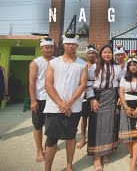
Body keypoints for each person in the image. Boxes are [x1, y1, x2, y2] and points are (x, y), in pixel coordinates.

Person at [43, 34, 88, 171]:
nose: (70, 46)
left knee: (71, 137)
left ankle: (69, 165)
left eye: (73, 44)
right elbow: (48, 84)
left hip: (73, 109)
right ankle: (47, 168)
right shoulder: (53, 63)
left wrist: (69, 103)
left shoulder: (82, 64)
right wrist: (61, 104)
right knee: (51, 139)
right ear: (63, 45)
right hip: (53, 108)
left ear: (76, 46)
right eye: (67, 44)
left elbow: (82, 85)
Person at [86, 44, 125, 170]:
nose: (107, 54)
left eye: (109, 52)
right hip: (98, 97)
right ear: (100, 54)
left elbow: (121, 82)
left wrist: (120, 96)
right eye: (104, 52)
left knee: (110, 125)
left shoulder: (117, 67)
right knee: (96, 126)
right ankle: (97, 157)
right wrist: (91, 99)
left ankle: (107, 152)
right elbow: (89, 84)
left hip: (112, 97)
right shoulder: (94, 67)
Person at [28, 36, 55, 162]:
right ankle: (39, 150)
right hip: (40, 99)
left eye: (51, 47)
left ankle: (47, 145)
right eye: (47, 47)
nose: (49, 50)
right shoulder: (35, 63)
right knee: (38, 126)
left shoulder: (57, 61)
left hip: (53, 99)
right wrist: (33, 101)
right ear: (41, 48)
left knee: (51, 126)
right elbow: (32, 82)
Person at [119, 56, 137, 171]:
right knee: (127, 134)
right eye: (130, 65)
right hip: (126, 106)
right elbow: (121, 93)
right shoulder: (124, 79)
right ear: (128, 67)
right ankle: (131, 154)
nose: (133, 67)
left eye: (135, 65)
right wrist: (125, 108)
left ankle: (134, 161)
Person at [76, 45, 97, 149]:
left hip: (96, 94)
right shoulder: (82, 65)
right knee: (84, 118)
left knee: (95, 118)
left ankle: (94, 138)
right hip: (84, 94)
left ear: (96, 54)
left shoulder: (99, 65)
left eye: (93, 53)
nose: (91, 55)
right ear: (86, 54)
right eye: (89, 53)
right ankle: (83, 138)